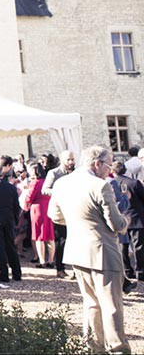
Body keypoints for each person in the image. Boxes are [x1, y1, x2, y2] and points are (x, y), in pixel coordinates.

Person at [48, 146, 130, 353]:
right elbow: (116, 225)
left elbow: (55, 215)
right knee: (112, 305)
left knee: (91, 302)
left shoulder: (62, 183)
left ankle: (94, 347)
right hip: (102, 250)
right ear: (97, 164)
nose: (109, 171)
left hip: (77, 248)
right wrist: (126, 220)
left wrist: (79, 223)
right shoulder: (100, 186)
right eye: (108, 165)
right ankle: (118, 348)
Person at [42, 150, 75, 278]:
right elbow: (45, 189)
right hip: (60, 211)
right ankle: (60, 268)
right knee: (63, 240)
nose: (71, 162)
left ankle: (77, 269)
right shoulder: (54, 173)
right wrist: (59, 192)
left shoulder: (77, 172)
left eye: (72, 159)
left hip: (75, 210)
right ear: (62, 160)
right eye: (69, 160)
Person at [109, 162, 138, 294]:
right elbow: (119, 205)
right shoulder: (111, 183)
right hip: (120, 220)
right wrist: (126, 197)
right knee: (121, 250)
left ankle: (126, 277)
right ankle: (128, 276)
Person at [113, 160, 144, 283]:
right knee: (139, 246)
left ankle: (127, 270)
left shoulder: (110, 183)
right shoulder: (134, 183)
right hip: (136, 218)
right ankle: (140, 271)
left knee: (123, 246)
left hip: (120, 217)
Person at [25, 162, 55, 270]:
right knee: (50, 235)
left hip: (37, 209)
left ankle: (42, 260)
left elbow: (29, 197)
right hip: (48, 207)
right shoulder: (48, 181)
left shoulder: (35, 183)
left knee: (39, 236)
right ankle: (51, 260)